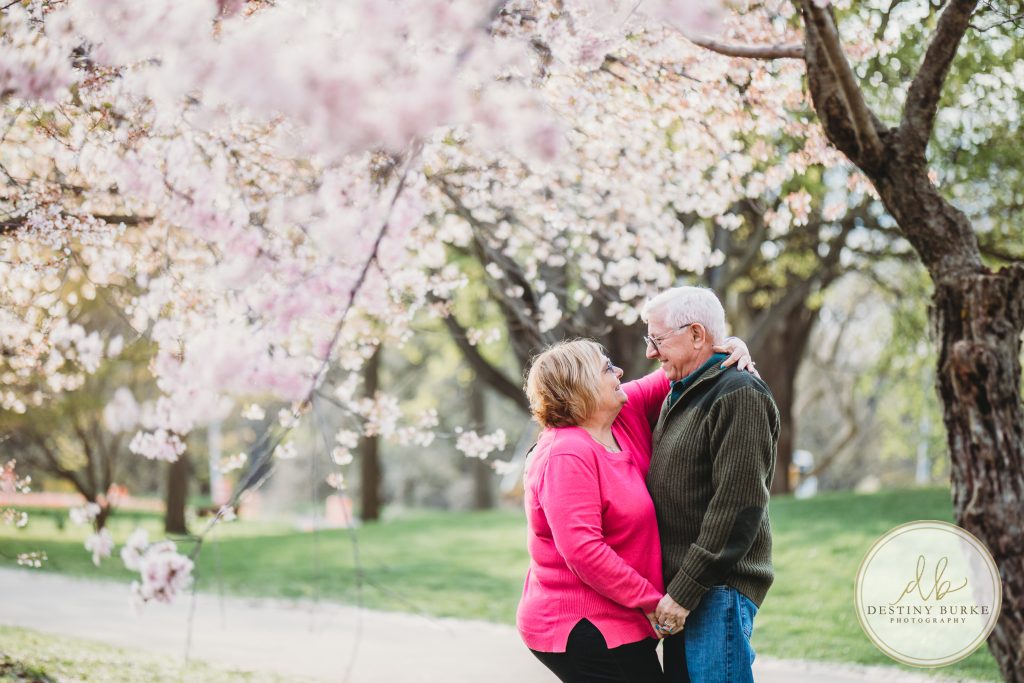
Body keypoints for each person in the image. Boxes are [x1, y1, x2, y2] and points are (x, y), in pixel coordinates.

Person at [517, 336, 754, 683]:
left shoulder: (621, 414)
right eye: (606, 368)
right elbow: (584, 551)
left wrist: (731, 347)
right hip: (583, 625)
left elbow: (686, 360)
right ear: (580, 387)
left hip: (622, 618)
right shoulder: (565, 454)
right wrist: (653, 602)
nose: (620, 371)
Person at [642, 287, 780, 683]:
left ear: (698, 335)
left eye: (658, 339)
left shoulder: (740, 394)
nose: (651, 352)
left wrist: (684, 592)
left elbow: (738, 507)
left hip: (715, 591)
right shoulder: (681, 391)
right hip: (688, 594)